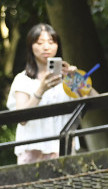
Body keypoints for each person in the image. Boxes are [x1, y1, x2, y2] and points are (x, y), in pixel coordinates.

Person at [5, 24, 89, 163]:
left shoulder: (69, 77)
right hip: (33, 151)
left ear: (58, 45)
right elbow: (22, 119)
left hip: (64, 148)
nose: (46, 47)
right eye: (39, 43)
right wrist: (41, 90)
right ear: (30, 46)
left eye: (51, 42)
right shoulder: (23, 80)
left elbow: (92, 99)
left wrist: (77, 79)